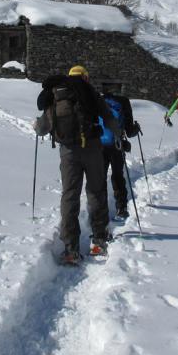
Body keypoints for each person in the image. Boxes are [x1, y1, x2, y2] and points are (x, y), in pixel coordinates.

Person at [36, 65, 121, 264]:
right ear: (85, 77)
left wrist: (36, 127)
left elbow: (43, 128)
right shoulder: (89, 92)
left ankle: (70, 249)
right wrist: (118, 134)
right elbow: (108, 117)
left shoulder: (56, 94)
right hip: (92, 148)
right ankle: (99, 240)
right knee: (96, 191)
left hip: (68, 152)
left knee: (70, 195)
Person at [100, 92, 140, 222]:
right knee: (118, 176)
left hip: (99, 145)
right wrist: (136, 128)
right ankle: (121, 209)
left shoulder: (96, 99)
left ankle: (101, 212)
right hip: (117, 144)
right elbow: (130, 131)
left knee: (100, 179)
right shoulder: (123, 101)